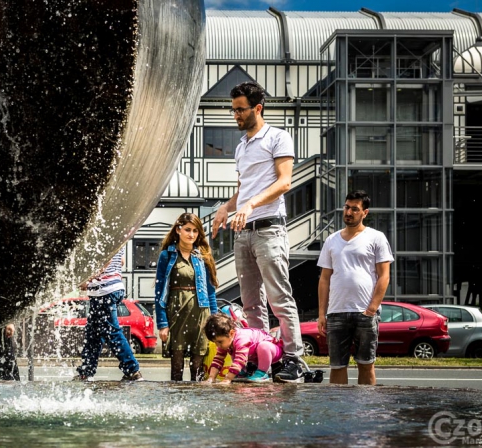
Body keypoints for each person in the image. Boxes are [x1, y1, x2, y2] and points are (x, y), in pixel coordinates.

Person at [211, 80, 303, 383]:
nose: (235, 115)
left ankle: (293, 359)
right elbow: (244, 188)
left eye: (240, 110)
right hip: (243, 232)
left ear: (257, 108)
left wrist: (249, 206)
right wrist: (227, 207)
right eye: (233, 110)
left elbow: (284, 182)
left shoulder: (278, 137)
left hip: (269, 229)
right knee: (250, 302)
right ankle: (259, 361)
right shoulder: (241, 146)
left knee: (279, 297)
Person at [317, 190, 393, 385]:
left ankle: (365, 411)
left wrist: (372, 309)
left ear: (365, 213)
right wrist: (321, 313)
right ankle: (340, 413)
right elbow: (324, 278)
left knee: (366, 364)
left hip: (365, 312)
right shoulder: (331, 240)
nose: (348, 213)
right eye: (347, 207)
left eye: (355, 209)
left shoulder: (376, 238)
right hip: (336, 311)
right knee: (337, 365)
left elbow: (384, 275)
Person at [154, 213, 219, 381]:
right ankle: (176, 398)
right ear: (178, 230)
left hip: (201, 312)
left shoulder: (203, 256)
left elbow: (210, 290)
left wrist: (215, 319)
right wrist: (162, 323)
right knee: (177, 364)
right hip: (176, 311)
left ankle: (196, 400)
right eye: (188, 230)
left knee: (198, 364)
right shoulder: (167, 255)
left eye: (196, 231)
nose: (191, 234)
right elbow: (160, 291)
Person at [74, 247, 143, 381]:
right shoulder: (120, 235)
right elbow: (121, 261)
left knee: (111, 331)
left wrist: (87, 280)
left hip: (105, 290)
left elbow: (107, 259)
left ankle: (132, 370)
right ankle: (86, 372)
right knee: (93, 333)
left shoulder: (104, 232)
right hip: (111, 288)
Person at [203, 314, 283, 383]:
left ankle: (262, 373)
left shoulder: (241, 339)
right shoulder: (226, 339)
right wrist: (211, 378)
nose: (218, 345)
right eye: (215, 342)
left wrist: (228, 379)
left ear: (231, 333)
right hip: (256, 356)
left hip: (274, 351)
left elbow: (240, 359)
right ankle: (242, 372)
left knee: (263, 346)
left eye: (220, 342)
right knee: (233, 350)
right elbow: (218, 359)